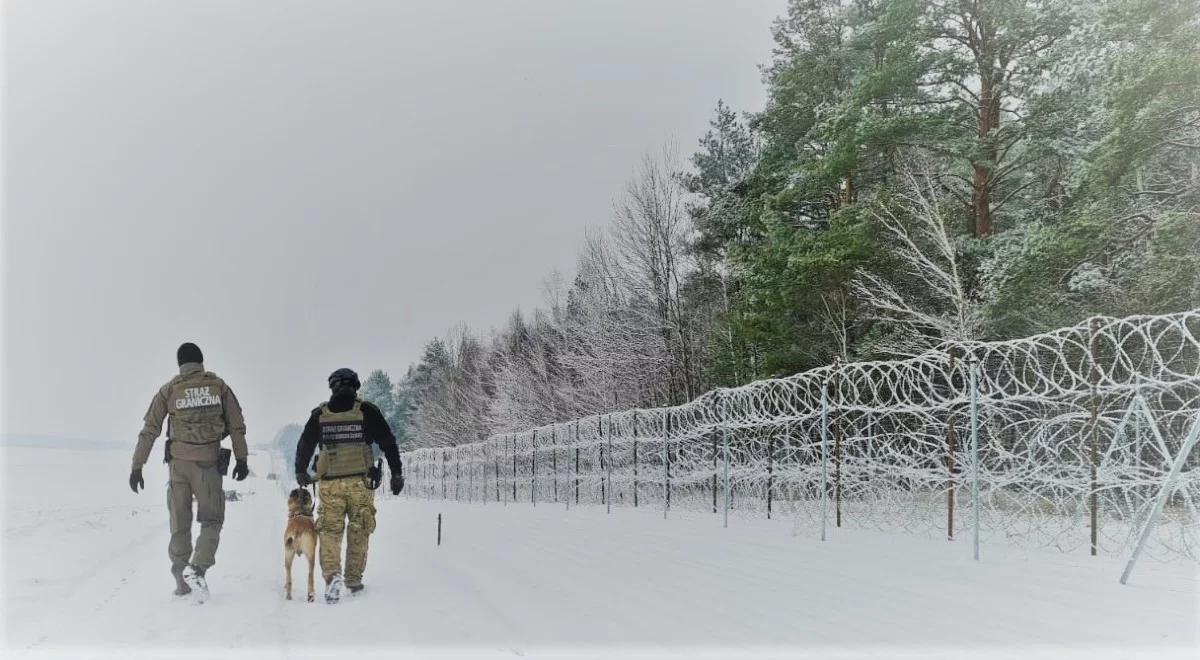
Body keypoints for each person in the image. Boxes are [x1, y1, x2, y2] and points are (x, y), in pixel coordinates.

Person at [129, 342, 249, 599]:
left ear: (180, 364)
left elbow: (150, 429)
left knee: (179, 524)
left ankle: (182, 584)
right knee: (212, 520)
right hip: (208, 466)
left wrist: (137, 466)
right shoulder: (219, 386)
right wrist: (241, 459)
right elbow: (237, 425)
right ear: (201, 361)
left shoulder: (170, 389)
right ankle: (197, 568)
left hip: (178, 467)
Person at [295, 368, 403, 603]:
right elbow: (388, 442)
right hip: (360, 484)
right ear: (355, 386)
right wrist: (397, 473)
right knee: (359, 529)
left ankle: (332, 577)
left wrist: (300, 471)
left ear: (332, 386)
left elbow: (305, 444)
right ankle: (353, 580)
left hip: (330, 486)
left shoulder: (320, 414)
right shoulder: (367, 411)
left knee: (330, 532)